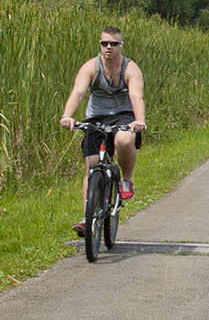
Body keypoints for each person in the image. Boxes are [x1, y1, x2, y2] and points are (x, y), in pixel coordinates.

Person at [59, 25, 147, 237]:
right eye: (104, 43)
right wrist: (67, 115)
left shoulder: (130, 69)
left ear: (120, 45)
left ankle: (125, 180)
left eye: (113, 44)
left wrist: (139, 120)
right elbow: (78, 92)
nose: (109, 47)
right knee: (91, 167)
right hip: (96, 118)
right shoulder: (91, 67)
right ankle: (87, 218)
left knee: (125, 141)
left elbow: (136, 97)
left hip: (123, 115)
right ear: (100, 44)